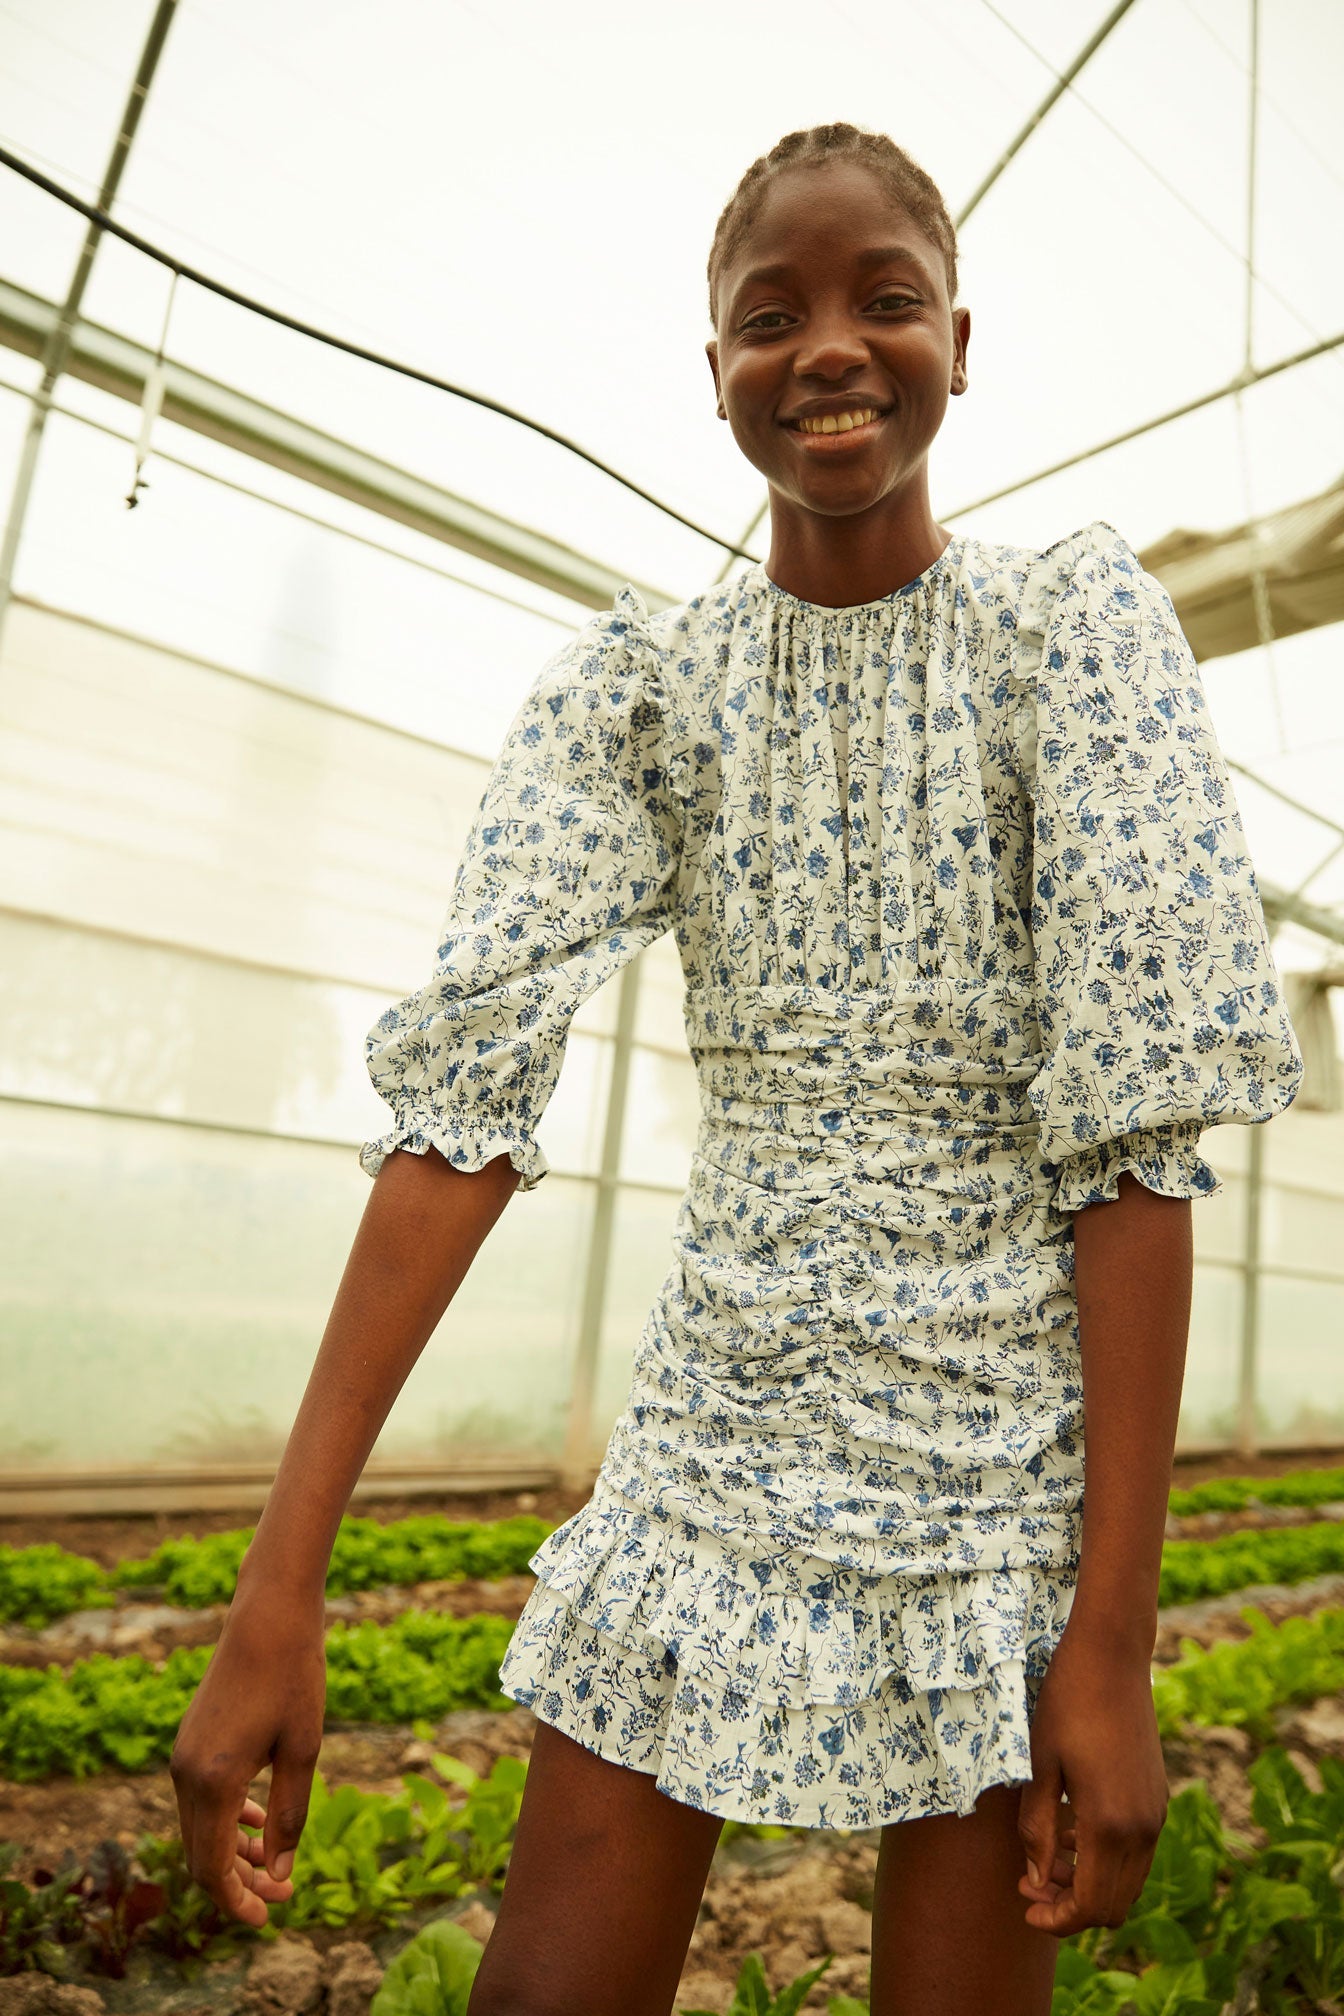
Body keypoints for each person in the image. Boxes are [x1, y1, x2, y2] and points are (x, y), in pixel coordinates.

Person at [170, 122, 1305, 2016]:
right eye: (770, 317)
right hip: (712, 1452)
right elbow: (458, 1118)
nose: (830, 349)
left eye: (885, 300)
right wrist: (278, 1586)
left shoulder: (1069, 641)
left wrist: (1112, 1639)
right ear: (716, 374)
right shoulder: (644, 693)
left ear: (961, 335)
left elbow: (1128, 1160)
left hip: (992, 1492)